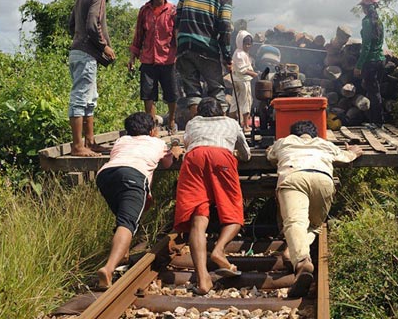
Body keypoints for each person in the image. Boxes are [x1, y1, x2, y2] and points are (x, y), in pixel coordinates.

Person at [266, 120, 362, 298]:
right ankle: (291, 251)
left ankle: (302, 261)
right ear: (315, 135)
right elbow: (347, 157)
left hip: (293, 176)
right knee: (315, 225)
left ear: (293, 133)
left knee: (294, 222)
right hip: (322, 179)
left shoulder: (284, 142)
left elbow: (270, 156)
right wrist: (352, 152)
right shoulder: (325, 144)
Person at [95, 112, 183, 290]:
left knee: (123, 217)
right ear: (152, 130)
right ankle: (109, 268)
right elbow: (166, 164)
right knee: (127, 223)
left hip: (105, 176)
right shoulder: (157, 142)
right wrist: (174, 152)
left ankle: (124, 255)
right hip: (133, 176)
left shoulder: (122, 141)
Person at [173, 97, 251, 295]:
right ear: (222, 112)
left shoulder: (193, 123)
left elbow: (188, 142)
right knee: (233, 210)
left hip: (194, 159)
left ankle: (203, 279)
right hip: (221, 156)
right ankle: (219, 250)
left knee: (198, 220)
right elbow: (246, 153)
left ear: (198, 112)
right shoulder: (231, 123)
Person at [174, 0, 238, 117]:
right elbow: (224, 26)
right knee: (217, 90)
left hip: (184, 48)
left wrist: (179, 48)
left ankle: (196, 131)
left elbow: (176, 21)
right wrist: (227, 57)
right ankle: (222, 132)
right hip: (206, 48)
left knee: (193, 93)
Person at [68, 0, 119, 156]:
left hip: (78, 52)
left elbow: (72, 24)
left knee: (90, 98)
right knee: (80, 98)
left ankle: (89, 142)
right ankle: (77, 146)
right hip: (86, 54)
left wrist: (81, 40)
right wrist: (103, 46)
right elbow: (92, 24)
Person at [128, 0, 179, 134]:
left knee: (171, 94)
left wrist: (181, 54)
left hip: (168, 58)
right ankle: (153, 126)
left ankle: (171, 121)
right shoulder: (144, 11)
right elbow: (139, 35)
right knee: (148, 94)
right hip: (148, 58)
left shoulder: (172, 11)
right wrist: (132, 57)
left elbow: (176, 34)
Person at [353, 0, 386, 125]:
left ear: (366, 7)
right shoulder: (379, 22)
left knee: (373, 93)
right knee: (375, 92)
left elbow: (366, 46)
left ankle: (377, 123)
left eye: (363, 7)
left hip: (371, 62)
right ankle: (377, 121)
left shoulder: (367, 22)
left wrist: (359, 65)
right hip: (381, 60)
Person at [230, 30, 257, 131]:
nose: (248, 46)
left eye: (250, 44)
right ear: (241, 43)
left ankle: (233, 126)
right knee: (246, 101)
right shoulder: (240, 54)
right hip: (243, 81)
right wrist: (254, 74)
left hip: (237, 80)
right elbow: (242, 70)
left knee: (235, 101)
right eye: (246, 44)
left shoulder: (240, 53)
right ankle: (245, 126)